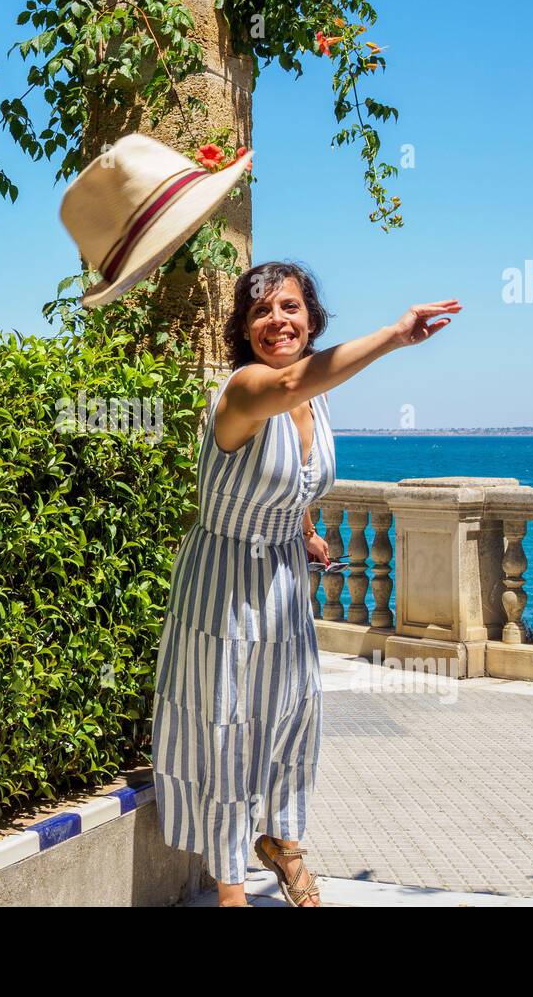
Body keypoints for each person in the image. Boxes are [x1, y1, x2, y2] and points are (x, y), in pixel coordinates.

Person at [150, 259, 460, 906]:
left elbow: (297, 475)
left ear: (311, 318)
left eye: (289, 307)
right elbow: (287, 382)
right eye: (261, 310)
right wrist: (394, 335)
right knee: (226, 730)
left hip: (284, 580)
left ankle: (282, 842)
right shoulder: (244, 389)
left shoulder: (315, 398)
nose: (276, 320)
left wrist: (309, 528)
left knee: (294, 716)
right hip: (224, 585)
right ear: (244, 328)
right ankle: (230, 886)